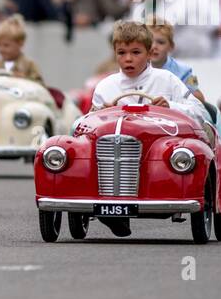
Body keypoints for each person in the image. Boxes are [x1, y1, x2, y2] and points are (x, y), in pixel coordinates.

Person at [89, 21, 208, 237]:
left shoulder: (167, 80)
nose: (128, 59)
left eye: (136, 52)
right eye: (121, 53)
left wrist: (170, 105)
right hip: (113, 153)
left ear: (148, 53)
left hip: (160, 152)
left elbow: (199, 112)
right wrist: (100, 112)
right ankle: (109, 206)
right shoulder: (106, 85)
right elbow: (87, 123)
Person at [0, 14, 44, 82]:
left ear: (20, 44)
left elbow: (40, 86)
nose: (1, 49)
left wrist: (25, 79)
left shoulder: (29, 65)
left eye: (6, 45)